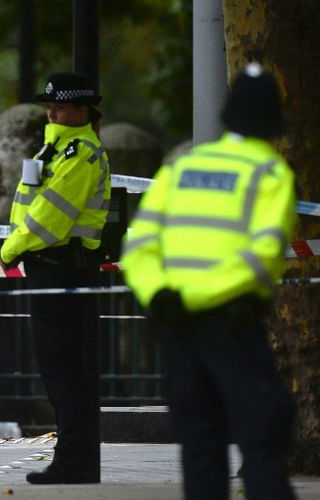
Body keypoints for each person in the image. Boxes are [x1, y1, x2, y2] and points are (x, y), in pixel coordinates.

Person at [121, 63, 297, 500]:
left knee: (199, 438)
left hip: (174, 321)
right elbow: (261, 258)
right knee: (263, 427)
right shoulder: (270, 174)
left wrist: (162, 293)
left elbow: (140, 245)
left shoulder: (183, 168)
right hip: (231, 323)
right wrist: (201, 297)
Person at [0, 72, 111, 484]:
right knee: (57, 368)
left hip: (63, 263)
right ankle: (72, 458)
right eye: (50, 105)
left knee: (66, 370)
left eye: (60, 106)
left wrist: (12, 248)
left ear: (82, 110)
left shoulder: (80, 153)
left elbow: (52, 218)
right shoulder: (55, 147)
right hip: (48, 264)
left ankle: (76, 462)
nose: (52, 111)